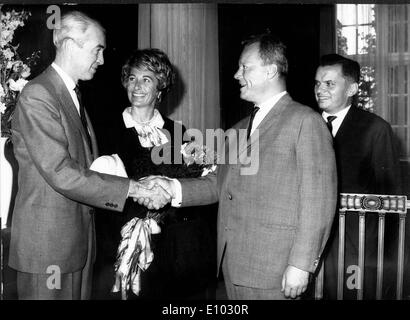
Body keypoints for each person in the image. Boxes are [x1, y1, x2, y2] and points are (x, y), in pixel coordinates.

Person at [146, 32, 338, 300]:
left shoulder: (305, 121)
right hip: (234, 265)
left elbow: (318, 201)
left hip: (277, 270)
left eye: (244, 67)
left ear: (271, 71)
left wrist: (301, 265)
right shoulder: (237, 130)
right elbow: (221, 183)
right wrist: (172, 187)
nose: (237, 75)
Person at [8, 11, 170, 300]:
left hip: (77, 245)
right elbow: (61, 172)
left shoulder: (71, 94)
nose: (102, 59)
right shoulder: (38, 94)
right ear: (70, 44)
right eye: (97, 49)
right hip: (49, 250)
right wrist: (133, 188)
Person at [93, 48, 215, 299]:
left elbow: (189, 191)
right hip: (117, 245)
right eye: (132, 78)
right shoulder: (105, 130)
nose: (136, 86)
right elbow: (95, 187)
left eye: (146, 79)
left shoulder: (178, 133)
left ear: (160, 88)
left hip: (169, 250)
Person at [314, 53, 402, 299]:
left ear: (352, 88)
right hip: (309, 244)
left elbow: (391, 200)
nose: (320, 90)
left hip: (358, 247)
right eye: (317, 83)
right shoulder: (304, 125)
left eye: (329, 83)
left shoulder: (376, 129)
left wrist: (384, 257)